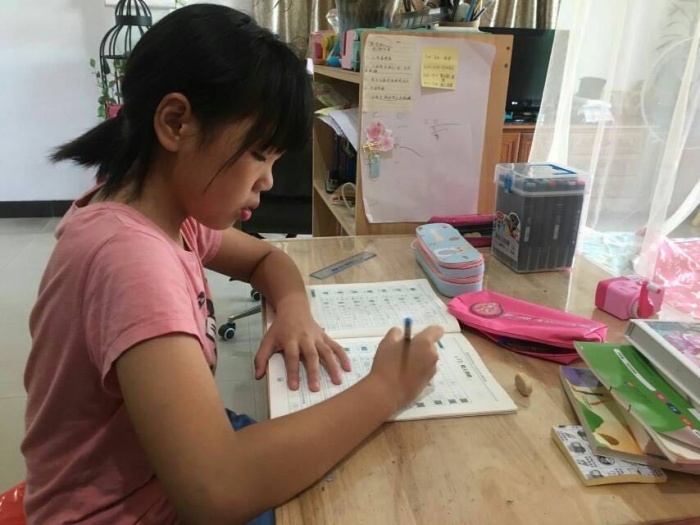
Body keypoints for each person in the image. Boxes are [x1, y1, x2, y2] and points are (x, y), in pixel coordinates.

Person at [21, 4, 443, 524]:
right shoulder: (130, 258)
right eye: (260, 154)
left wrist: (293, 309)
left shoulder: (161, 211)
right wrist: (387, 388)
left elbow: (267, 257)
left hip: (161, 474)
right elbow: (215, 490)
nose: (268, 180)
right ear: (176, 123)